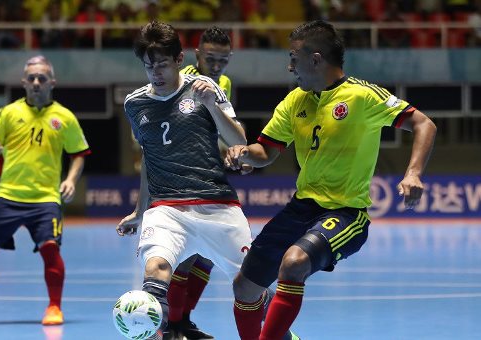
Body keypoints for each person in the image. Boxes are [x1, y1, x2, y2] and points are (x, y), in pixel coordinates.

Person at [225, 20, 437, 339]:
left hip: (346, 214)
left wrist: (413, 172)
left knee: (294, 263)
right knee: (245, 287)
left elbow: (424, 125)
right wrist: (243, 152)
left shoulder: (363, 96)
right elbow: (265, 152)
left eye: (294, 57)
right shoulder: (295, 101)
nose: (289, 66)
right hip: (300, 209)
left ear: (316, 58)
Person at [116, 21, 253, 340]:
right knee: (156, 270)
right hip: (166, 208)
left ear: (179, 60)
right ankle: (161, 330)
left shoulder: (204, 86)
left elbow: (239, 140)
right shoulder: (134, 104)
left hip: (217, 203)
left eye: (162, 64)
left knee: (250, 286)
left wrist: (212, 106)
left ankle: (280, 332)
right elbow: (150, 158)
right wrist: (140, 211)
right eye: (149, 66)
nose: (156, 72)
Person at [0, 55, 91, 326]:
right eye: (32, 78)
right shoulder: (8, 113)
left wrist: (71, 179)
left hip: (46, 199)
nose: (37, 82)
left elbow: (80, 154)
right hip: (8, 196)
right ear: (24, 82)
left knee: (51, 251)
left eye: (42, 78)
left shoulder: (65, 117)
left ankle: (54, 307)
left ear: (52, 82)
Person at [164, 25, 234, 340]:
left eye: (223, 60)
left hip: (209, 177)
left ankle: (184, 320)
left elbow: (214, 129)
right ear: (197, 54)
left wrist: (232, 152)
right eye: (211, 59)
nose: (217, 66)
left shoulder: (224, 83)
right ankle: (171, 326)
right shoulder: (180, 82)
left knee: (206, 257)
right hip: (179, 182)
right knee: (186, 258)